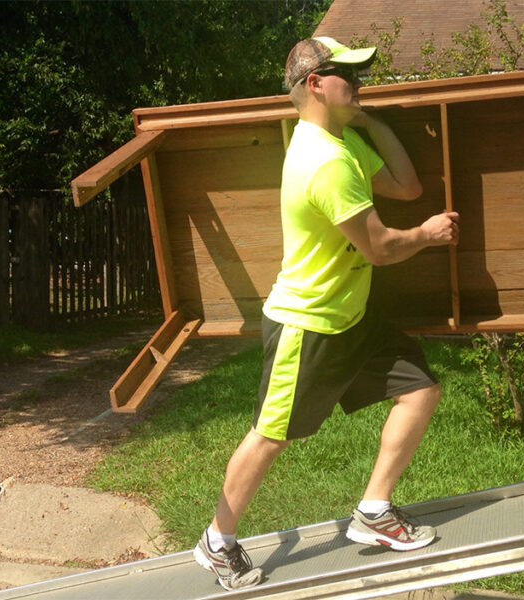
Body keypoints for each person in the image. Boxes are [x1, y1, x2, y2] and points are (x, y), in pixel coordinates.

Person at [192, 36, 460, 591]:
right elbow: (381, 247)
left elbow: (406, 187)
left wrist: (370, 116)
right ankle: (216, 542)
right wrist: (430, 235)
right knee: (271, 434)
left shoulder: (342, 144)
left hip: (350, 317)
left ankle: (374, 512)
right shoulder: (323, 162)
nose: (359, 83)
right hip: (308, 323)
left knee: (420, 389)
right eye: (349, 75)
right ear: (315, 83)